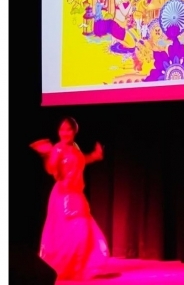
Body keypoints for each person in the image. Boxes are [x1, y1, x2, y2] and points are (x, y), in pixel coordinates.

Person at [29, 117, 109, 280]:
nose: (65, 132)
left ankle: (76, 269)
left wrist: (95, 156)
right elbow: (51, 169)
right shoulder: (58, 148)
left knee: (83, 232)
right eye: (62, 129)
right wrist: (47, 155)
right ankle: (65, 269)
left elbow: (79, 161)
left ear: (75, 131)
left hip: (76, 195)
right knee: (70, 234)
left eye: (68, 129)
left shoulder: (75, 147)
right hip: (63, 196)